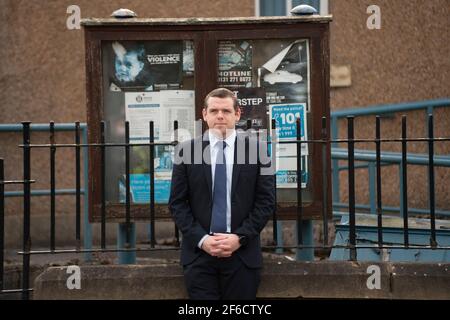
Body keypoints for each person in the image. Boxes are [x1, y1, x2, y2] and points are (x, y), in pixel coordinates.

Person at [169, 88, 275, 299]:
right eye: (214, 110)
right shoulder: (185, 151)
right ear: (204, 114)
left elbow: (266, 201)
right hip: (199, 257)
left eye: (226, 111)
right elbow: (177, 204)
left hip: (242, 256)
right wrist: (202, 240)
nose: (220, 116)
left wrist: (240, 237)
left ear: (237, 114)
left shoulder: (259, 150)